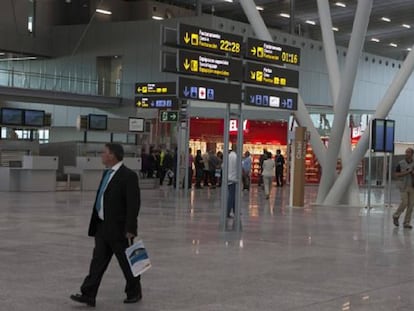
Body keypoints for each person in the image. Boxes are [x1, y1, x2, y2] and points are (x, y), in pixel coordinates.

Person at [70, 143, 142, 307]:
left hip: (119, 229)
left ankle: (134, 291)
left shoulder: (128, 176)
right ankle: (88, 294)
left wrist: (131, 228)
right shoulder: (106, 173)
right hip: (102, 227)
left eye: (104, 152)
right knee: (97, 262)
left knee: (126, 262)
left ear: (113, 155)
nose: (101, 155)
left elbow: (133, 204)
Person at [393, 147, 414, 229]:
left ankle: (406, 222)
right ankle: (396, 215)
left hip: (412, 186)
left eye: (408, 152)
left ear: (412, 154)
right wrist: (407, 172)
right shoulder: (400, 163)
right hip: (403, 186)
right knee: (404, 202)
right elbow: (396, 174)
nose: (407, 154)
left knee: (411, 205)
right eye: (406, 152)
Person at [227, 145, 238, 218]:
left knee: (233, 196)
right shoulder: (236, 157)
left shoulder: (229, 156)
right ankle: (227, 212)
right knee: (231, 196)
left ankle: (234, 211)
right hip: (234, 178)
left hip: (229, 177)